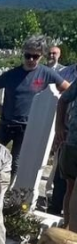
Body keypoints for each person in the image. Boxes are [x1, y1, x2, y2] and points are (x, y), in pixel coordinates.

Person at [0, 35, 69, 177]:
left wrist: (55, 104)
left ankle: (10, 190)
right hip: (6, 123)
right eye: (28, 55)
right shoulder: (12, 74)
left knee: (16, 162)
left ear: (41, 56)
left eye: (35, 56)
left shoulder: (46, 73)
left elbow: (67, 89)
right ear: (24, 53)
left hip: (27, 126)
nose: (31, 60)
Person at [54, 82, 77, 231]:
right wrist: (59, 126)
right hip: (73, 141)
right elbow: (63, 99)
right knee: (70, 188)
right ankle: (67, 229)